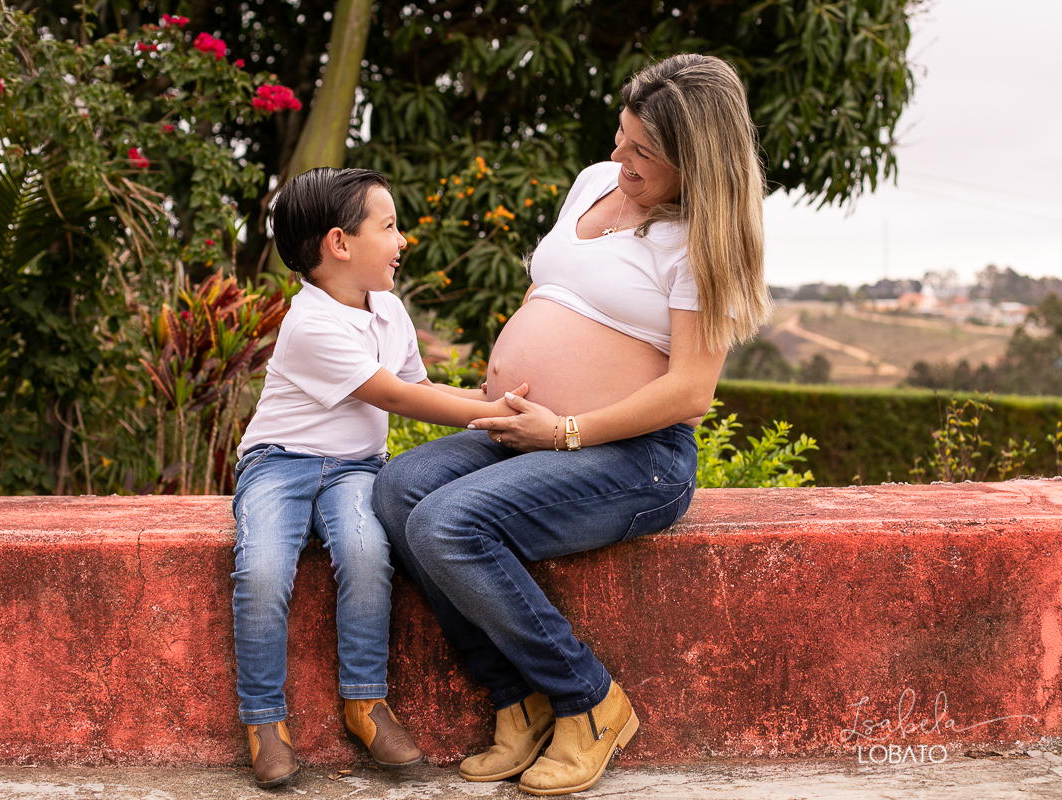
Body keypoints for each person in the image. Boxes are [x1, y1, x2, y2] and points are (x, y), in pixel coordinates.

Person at [371, 54, 772, 796]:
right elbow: (555, 293)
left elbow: (689, 391)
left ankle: (589, 702)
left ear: (698, 164)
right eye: (622, 136)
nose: (620, 158)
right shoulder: (596, 182)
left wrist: (567, 430)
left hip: (634, 458)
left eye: (643, 152)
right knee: (398, 492)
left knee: (450, 525)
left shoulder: (701, 242)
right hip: (529, 429)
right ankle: (515, 701)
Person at [232, 167, 525, 789]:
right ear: (339, 244)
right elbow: (401, 399)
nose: (402, 241)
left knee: (367, 554)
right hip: (279, 463)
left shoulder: (389, 310)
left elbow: (422, 385)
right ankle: (264, 721)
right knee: (261, 570)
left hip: (356, 470)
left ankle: (365, 703)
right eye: (389, 227)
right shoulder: (310, 324)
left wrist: (487, 399)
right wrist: (494, 413)